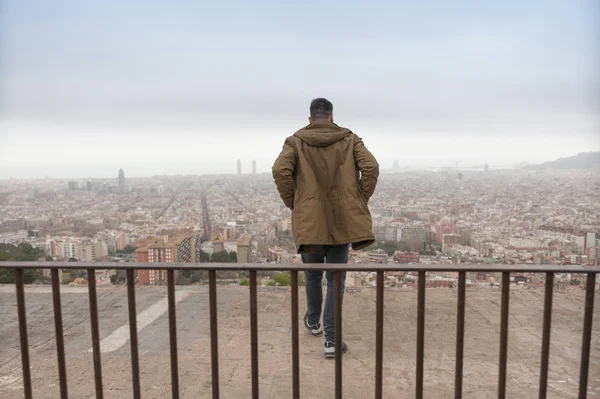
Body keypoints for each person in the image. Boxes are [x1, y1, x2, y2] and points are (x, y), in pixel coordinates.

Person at [272, 98, 379, 358]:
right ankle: (331, 341)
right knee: (335, 279)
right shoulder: (350, 139)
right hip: (342, 219)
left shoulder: (295, 141)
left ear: (310, 119)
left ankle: (314, 322)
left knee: (312, 275)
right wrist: (357, 200)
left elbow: (279, 171)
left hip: (311, 221)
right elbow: (371, 167)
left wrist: (297, 205)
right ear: (331, 117)